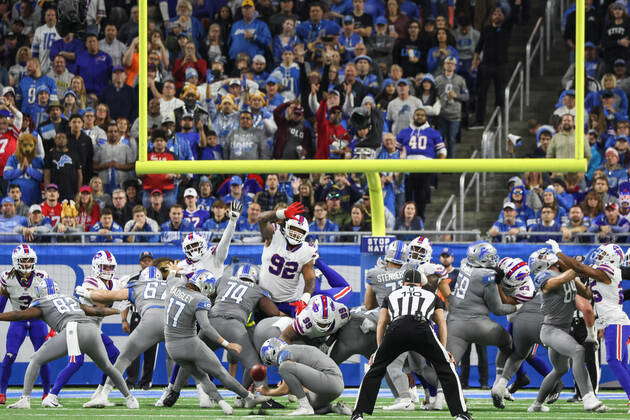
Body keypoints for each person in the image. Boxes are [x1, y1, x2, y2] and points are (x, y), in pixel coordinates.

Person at [0, 276, 138, 410]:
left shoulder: (41, 302)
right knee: (108, 366)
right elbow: (96, 311)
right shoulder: (70, 298)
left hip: (73, 329)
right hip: (92, 329)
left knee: (36, 359)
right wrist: (117, 311)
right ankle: (130, 398)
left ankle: (25, 399)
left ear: (39, 291)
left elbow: (19, 315)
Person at [351, 268, 471, 420]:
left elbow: (382, 323)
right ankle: (461, 413)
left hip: (397, 329)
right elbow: (441, 323)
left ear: (403, 283)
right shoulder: (431, 296)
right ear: (421, 284)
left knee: (375, 369)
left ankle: (358, 414)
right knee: (446, 368)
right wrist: (443, 350)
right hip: (422, 328)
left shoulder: (392, 295)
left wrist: (379, 350)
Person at [162, 269, 268, 413]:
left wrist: (176, 270)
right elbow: (206, 327)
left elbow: (171, 278)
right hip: (194, 340)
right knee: (222, 372)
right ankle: (252, 396)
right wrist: (226, 343)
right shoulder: (201, 300)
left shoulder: (174, 287)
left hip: (171, 346)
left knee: (200, 374)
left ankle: (174, 392)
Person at [525, 239, 607, 413]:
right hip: (550, 330)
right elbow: (554, 283)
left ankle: (536, 405)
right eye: (554, 259)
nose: (557, 261)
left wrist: (577, 275)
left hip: (562, 330)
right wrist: (574, 267)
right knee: (578, 351)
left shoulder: (568, 276)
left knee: (560, 369)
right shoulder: (543, 276)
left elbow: (587, 294)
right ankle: (588, 398)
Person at [551, 242, 630, 409]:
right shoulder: (601, 275)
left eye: (602, 255)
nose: (598, 257)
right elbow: (587, 293)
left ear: (611, 258)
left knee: (614, 361)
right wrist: (573, 279)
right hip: (610, 322)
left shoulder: (611, 271)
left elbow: (580, 267)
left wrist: (559, 252)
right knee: (620, 362)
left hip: (616, 321)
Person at [77, 265, 166, 406]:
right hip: (169, 325)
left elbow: (107, 296)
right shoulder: (170, 285)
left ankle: (106, 393)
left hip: (148, 323)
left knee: (124, 358)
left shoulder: (137, 286)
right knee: (185, 357)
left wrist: (88, 293)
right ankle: (189, 391)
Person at [44, 250, 123, 406]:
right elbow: (101, 305)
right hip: (78, 327)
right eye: (104, 267)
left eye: (110, 267)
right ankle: (52, 396)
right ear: (96, 267)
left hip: (93, 329)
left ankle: (99, 392)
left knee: (114, 356)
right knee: (76, 362)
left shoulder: (116, 282)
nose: (108, 271)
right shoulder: (90, 281)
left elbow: (115, 295)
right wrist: (118, 299)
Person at [0, 245, 51, 404]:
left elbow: (49, 303)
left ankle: (47, 393)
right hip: (18, 321)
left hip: (38, 321)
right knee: (10, 355)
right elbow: (2, 301)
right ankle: (1, 392)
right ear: (16, 261)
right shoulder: (6, 277)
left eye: (30, 260)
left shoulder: (42, 276)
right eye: (24, 260)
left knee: (42, 358)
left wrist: (53, 325)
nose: (28, 263)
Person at [259, 337, 351, 416]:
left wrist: (267, 392)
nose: (274, 365)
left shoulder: (284, 354)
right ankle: (334, 408)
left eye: (271, 362)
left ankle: (304, 407)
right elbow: (302, 384)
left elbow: (285, 389)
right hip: (334, 384)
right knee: (312, 405)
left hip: (329, 380)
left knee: (284, 367)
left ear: (272, 354)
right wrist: (290, 385)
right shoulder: (294, 349)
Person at [256, 202, 317, 317]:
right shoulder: (275, 234)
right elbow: (260, 218)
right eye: (293, 228)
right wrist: (282, 213)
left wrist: (305, 298)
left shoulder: (306, 250)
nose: (296, 233)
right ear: (287, 227)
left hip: (288, 302)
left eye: (300, 231)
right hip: (263, 297)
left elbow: (310, 280)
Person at [397, 108, 446, 221]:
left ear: (426, 118)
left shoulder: (433, 133)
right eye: (417, 114)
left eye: (422, 115)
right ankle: (407, 222)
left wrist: (438, 165)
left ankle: (420, 221)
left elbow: (442, 151)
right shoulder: (404, 132)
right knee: (408, 198)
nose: (420, 117)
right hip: (408, 168)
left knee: (421, 198)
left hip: (425, 168)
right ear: (413, 116)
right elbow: (395, 150)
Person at [43, 132, 82, 201]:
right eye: (58, 138)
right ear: (55, 140)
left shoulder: (74, 154)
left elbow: (79, 174)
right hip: (54, 191)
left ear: (67, 140)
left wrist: (79, 192)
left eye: (63, 138)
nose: (61, 139)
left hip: (71, 191)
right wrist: (47, 191)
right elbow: (46, 175)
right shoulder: (50, 155)